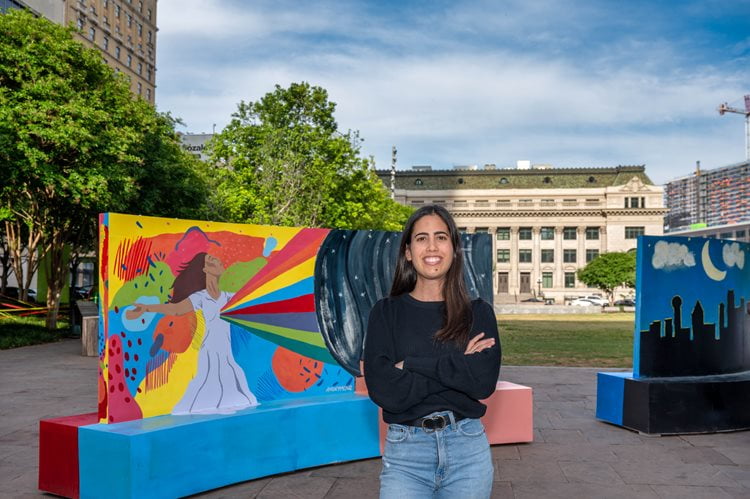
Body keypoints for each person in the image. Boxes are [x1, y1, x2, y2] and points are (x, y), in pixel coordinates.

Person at [363, 204, 501, 498]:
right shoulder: (386, 313)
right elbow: (385, 392)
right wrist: (456, 365)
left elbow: (481, 383)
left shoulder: (478, 313)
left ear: (454, 249)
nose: (432, 246)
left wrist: (410, 364)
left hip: (468, 452)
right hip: (405, 455)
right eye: (421, 238)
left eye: (441, 237)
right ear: (408, 252)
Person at [126, 252, 258, 415]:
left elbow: (253, 302)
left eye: (216, 259)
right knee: (204, 384)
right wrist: (146, 308)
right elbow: (175, 310)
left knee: (236, 383)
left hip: (226, 351)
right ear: (205, 269)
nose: (218, 260)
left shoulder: (228, 297)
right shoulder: (200, 297)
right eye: (212, 260)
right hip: (209, 351)